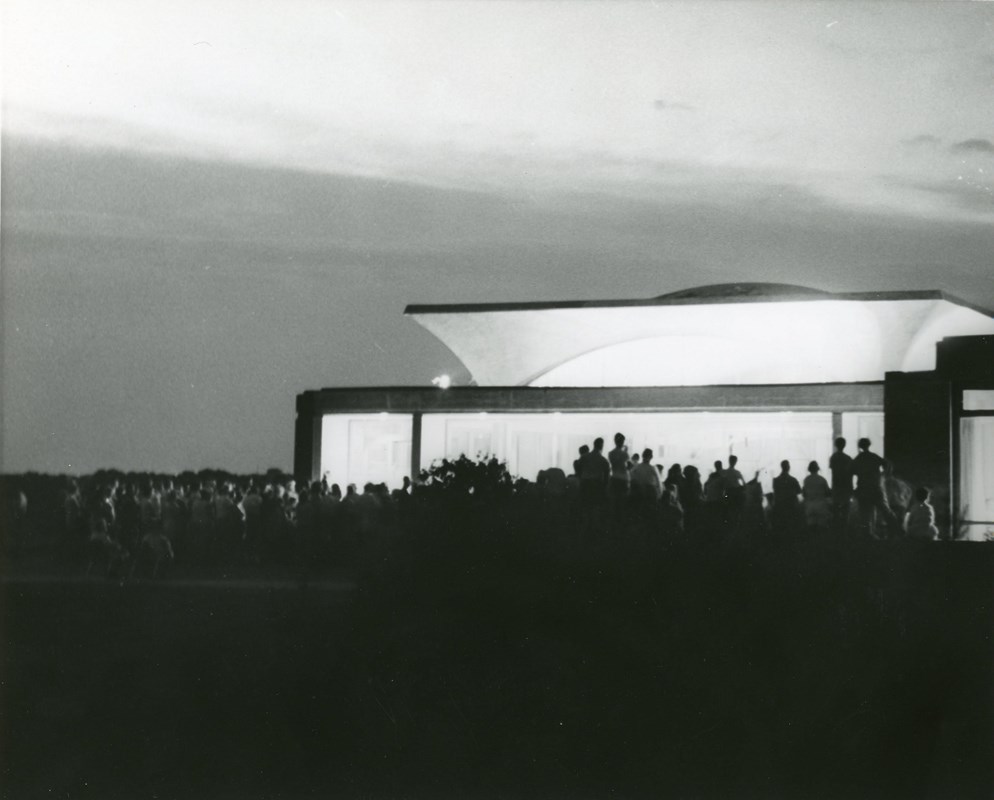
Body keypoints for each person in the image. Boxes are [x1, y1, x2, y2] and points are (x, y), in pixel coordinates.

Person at [852, 437, 896, 538]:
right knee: (886, 511)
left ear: (860, 446)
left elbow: (850, 471)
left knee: (865, 515)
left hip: (863, 489)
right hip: (876, 488)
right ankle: (896, 531)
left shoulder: (858, 459)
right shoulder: (874, 456)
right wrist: (882, 475)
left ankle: (869, 536)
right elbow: (888, 464)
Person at [771, 460, 802, 537]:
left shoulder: (776, 480)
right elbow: (799, 491)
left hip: (779, 506)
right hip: (791, 506)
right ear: (788, 468)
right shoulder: (793, 480)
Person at [829, 437, 854, 528]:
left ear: (836, 445)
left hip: (836, 486)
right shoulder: (848, 458)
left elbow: (833, 473)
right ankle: (844, 533)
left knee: (836, 512)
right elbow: (850, 474)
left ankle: (836, 533)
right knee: (845, 513)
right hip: (846, 487)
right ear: (844, 445)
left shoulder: (833, 457)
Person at [802, 461, 831, 532]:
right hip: (821, 506)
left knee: (811, 529)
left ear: (809, 469)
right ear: (818, 469)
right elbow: (828, 493)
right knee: (821, 529)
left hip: (809, 506)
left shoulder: (806, 480)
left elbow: (804, 493)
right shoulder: (822, 479)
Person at [608, 433, 631, 516]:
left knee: (614, 503)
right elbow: (628, 467)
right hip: (623, 479)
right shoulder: (625, 454)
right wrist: (626, 451)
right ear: (622, 441)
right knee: (623, 503)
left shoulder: (610, 453)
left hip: (614, 478)